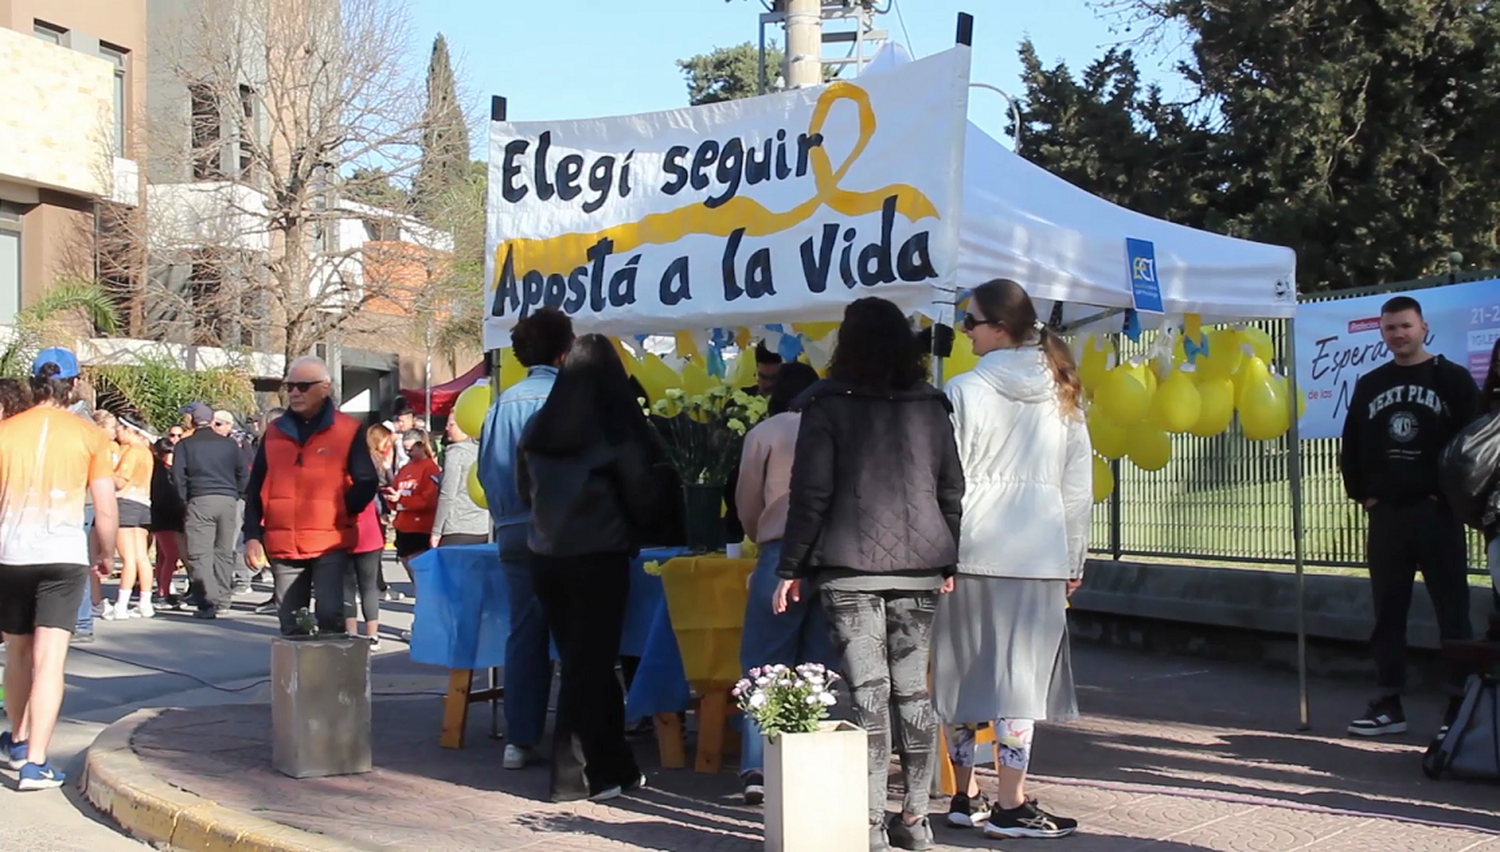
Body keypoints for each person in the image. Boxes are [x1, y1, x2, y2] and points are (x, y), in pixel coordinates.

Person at [773, 297, 963, 852]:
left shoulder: (825, 404)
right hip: (923, 566)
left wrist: (791, 567)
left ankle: (872, 823)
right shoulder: (931, 404)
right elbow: (952, 488)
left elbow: (811, 494)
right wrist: (947, 558)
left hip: (846, 565)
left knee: (869, 695)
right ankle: (917, 818)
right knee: (913, 692)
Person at [933, 279, 1092, 839]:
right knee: (1018, 684)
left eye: (970, 321)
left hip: (972, 546)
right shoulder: (1063, 391)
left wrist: (941, 551)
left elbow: (946, 479)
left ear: (1000, 327)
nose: (963, 330)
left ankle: (964, 793)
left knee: (961, 676)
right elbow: (1078, 486)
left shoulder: (963, 389)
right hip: (1038, 549)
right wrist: (1075, 556)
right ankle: (1011, 800)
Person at [518, 333, 659, 803]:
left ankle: (614, 765)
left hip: (545, 554)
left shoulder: (539, 426)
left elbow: (525, 491)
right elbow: (643, 495)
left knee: (585, 665)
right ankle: (576, 774)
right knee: (591, 667)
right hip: (599, 553)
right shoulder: (615, 427)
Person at [1340, 295, 1481, 737]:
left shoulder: (1453, 380)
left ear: (1423, 327)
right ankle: (1388, 703)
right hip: (1389, 517)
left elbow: (1476, 446)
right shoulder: (1370, 383)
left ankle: (1460, 708)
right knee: (1388, 612)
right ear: (1382, 334)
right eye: (1389, 329)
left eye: (1405, 326)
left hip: (1437, 515)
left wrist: (1455, 500)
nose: (1398, 335)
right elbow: (1353, 447)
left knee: (1453, 613)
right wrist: (1365, 496)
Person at [0, 347, 118, 789]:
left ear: (34, 383)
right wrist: (104, 554)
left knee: (17, 652)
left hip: (11, 553)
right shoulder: (90, 436)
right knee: (51, 660)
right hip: (63, 557)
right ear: (72, 384)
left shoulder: (6, 432)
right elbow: (105, 509)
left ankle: (16, 737)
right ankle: (35, 762)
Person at [477, 306, 574, 771]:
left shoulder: (502, 404)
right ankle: (577, 739)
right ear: (564, 349)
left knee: (525, 633)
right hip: (565, 532)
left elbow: (487, 471)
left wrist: (507, 514)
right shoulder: (570, 399)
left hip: (514, 529)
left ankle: (520, 737)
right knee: (579, 636)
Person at [733, 361, 829, 805]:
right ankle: (811, 757)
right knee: (817, 664)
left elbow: (747, 502)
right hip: (829, 555)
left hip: (778, 548)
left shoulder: (766, 433)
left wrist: (760, 535)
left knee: (764, 662)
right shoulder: (836, 427)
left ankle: (758, 765)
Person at [243, 357, 378, 636]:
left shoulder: (348, 430)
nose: (294, 392)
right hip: (282, 544)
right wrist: (252, 535)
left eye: (303, 386)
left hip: (329, 541)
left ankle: (331, 677)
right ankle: (298, 679)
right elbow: (255, 487)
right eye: (290, 386)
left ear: (324, 388)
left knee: (330, 614)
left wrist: (342, 510)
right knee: (293, 624)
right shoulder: (275, 433)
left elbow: (367, 480)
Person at [173, 404, 248, 619]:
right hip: (228, 500)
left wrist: (186, 499)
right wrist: (237, 493)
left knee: (200, 553)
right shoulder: (230, 445)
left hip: (200, 498)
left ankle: (208, 601)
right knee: (224, 550)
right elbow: (243, 473)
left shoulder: (185, 445)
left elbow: (178, 478)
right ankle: (224, 598)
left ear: (192, 421)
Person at [345, 425, 391, 647]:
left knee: (348, 586)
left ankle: (352, 633)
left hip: (346, 533)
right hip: (370, 533)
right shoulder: (369, 471)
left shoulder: (340, 474)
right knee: (368, 586)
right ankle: (373, 635)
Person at [110, 419, 157, 619]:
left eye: (120, 429)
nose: (117, 433)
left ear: (130, 430)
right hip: (143, 503)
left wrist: (105, 470)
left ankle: (121, 605)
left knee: (128, 558)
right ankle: (145, 603)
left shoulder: (132, 452)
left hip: (126, 503)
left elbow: (120, 482)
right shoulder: (146, 453)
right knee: (141, 557)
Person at [390, 429, 440, 585]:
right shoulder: (405, 468)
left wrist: (403, 500)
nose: (408, 453)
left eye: (411, 449)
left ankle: (425, 600)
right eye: (405, 450)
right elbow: (396, 490)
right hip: (403, 524)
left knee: (418, 566)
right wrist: (391, 499)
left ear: (421, 446)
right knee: (407, 562)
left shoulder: (430, 468)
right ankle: (421, 596)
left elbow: (429, 501)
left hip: (420, 526)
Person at [430, 417, 488, 548]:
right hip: (483, 527)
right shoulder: (483, 450)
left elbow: (448, 495)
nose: (447, 428)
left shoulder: (456, 453)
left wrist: (436, 531)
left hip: (457, 526)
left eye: (451, 424)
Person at [148, 437, 186, 607]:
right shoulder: (160, 473)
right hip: (164, 516)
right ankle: (163, 592)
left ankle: (163, 589)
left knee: (164, 555)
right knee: (171, 555)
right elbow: (165, 496)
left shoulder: (168, 471)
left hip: (170, 516)